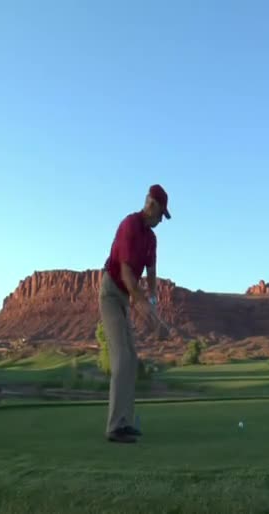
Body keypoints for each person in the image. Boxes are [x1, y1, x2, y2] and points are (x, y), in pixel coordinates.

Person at [99, 184, 171, 443]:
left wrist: (153, 304)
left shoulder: (151, 239)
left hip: (126, 297)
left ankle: (125, 422)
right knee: (121, 357)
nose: (161, 220)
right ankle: (114, 427)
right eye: (161, 214)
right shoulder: (129, 225)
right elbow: (129, 279)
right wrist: (150, 318)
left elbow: (150, 275)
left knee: (132, 357)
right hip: (111, 293)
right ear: (151, 205)